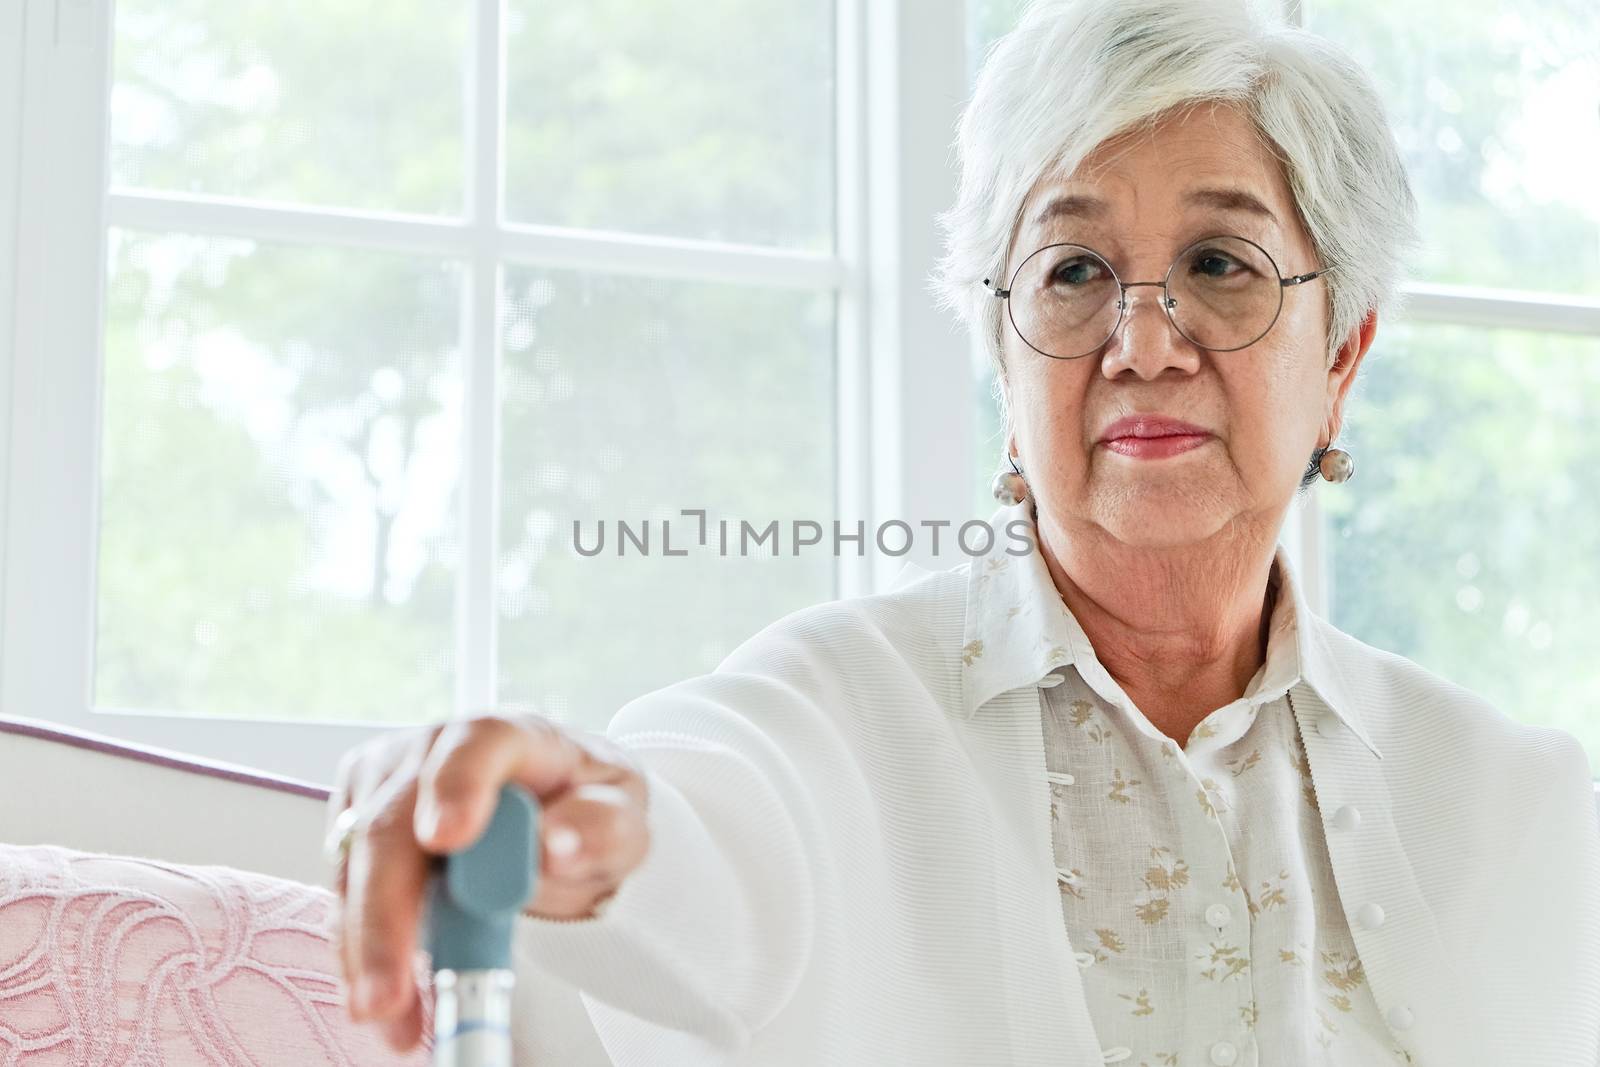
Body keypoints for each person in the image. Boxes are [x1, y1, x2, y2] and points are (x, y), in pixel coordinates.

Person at [325, 0, 1600, 1063]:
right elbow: (704, 822)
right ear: (1000, 354)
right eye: (1072, 271)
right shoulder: (834, 708)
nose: (1143, 343)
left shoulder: (1525, 805)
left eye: (1221, 261)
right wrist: (572, 806)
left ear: (1342, 353)